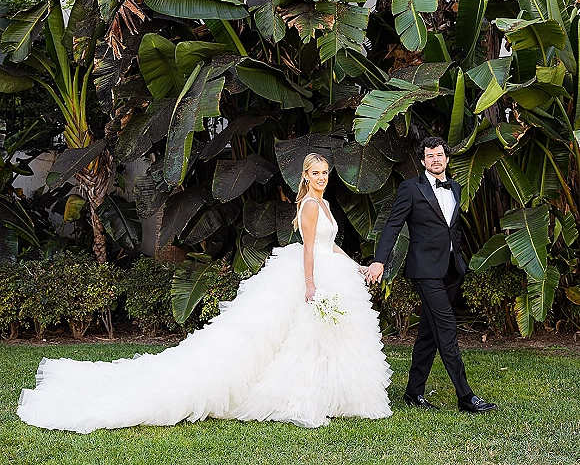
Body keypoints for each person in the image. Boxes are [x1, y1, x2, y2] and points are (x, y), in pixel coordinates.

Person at [18, 153, 392, 432]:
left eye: (325, 174)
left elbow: (330, 245)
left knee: (326, 339)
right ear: (305, 178)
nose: (322, 179)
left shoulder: (324, 203)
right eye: (315, 174)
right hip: (312, 274)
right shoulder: (309, 205)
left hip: (331, 269)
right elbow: (310, 249)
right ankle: (299, 393)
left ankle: (330, 392)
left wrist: (355, 264)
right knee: (299, 339)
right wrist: (311, 284)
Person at [365, 136, 497, 414]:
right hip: (425, 271)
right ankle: (465, 397)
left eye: (439, 155)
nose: (435, 160)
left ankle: (414, 392)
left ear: (447, 159)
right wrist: (379, 261)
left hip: (451, 269)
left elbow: (453, 228)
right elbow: (392, 226)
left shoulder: (456, 188)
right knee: (446, 330)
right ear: (423, 160)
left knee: (428, 333)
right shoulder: (411, 188)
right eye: (430, 156)